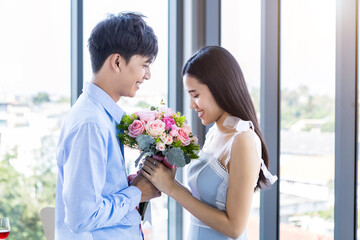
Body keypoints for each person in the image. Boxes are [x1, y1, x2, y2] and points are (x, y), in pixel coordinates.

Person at [141, 46, 277, 240]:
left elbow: (235, 228)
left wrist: (171, 187)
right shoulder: (215, 132)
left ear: (220, 88)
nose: (191, 104)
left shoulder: (243, 140)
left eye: (195, 95)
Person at [55, 12, 161, 240]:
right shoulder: (91, 123)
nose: (148, 75)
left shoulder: (99, 116)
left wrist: (129, 187)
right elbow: (81, 217)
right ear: (117, 61)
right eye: (145, 65)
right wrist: (136, 194)